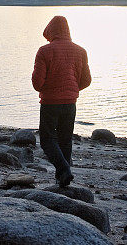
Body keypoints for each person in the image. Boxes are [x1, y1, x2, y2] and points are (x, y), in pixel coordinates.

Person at [31, 15, 91, 187]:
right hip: (70, 103)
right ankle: (62, 180)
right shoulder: (80, 51)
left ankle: (64, 170)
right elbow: (86, 80)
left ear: (50, 31)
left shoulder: (44, 51)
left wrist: (55, 91)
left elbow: (37, 83)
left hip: (50, 103)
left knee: (47, 140)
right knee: (65, 140)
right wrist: (70, 90)